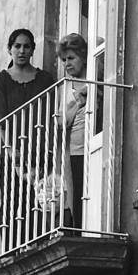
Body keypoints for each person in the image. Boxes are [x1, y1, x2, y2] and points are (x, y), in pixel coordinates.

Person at [0, 29, 55, 249]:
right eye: (17, 46)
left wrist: (46, 148)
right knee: (10, 198)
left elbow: (48, 114)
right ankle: (10, 247)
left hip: (36, 150)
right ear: (10, 49)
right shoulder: (1, 80)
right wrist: (10, 149)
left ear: (33, 50)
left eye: (26, 46)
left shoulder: (44, 79)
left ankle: (34, 243)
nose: (21, 50)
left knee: (34, 197)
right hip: (8, 151)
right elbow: (0, 116)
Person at [56, 33, 88, 230]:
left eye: (71, 58)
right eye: (64, 59)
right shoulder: (67, 86)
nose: (67, 63)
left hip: (92, 144)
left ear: (83, 57)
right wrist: (77, 102)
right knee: (76, 194)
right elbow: (61, 121)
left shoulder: (94, 79)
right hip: (74, 149)